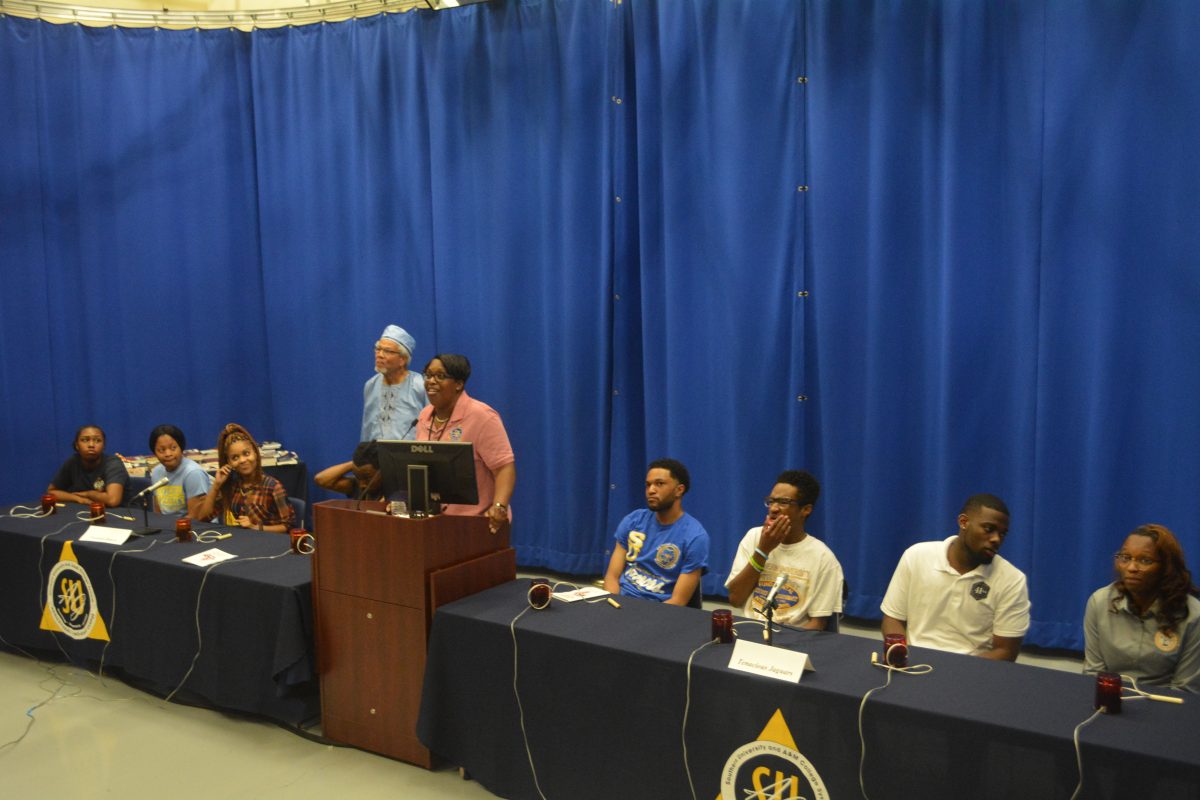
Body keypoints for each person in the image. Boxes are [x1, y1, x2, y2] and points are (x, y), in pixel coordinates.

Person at [880, 494, 1030, 660]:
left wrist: (955, 673)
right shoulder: (916, 556)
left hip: (971, 673)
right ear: (964, 522)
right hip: (915, 663)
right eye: (989, 529)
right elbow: (893, 619)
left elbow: (1006, 652)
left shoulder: (1012, 580)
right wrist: (903, 656)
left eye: (1002, 534)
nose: (996, 539)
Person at [1083, 524, 1200, 693]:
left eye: (1145, 560)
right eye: (1125, 557)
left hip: (1165, 706)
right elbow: (1093, 673)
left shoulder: (1193, 616)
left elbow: (1185, 689)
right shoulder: (1099, 602)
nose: (1131, 568)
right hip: (1109, 699)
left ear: (1166, 568)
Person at [725, 470, 844, 630]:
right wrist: (763, 550)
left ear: (806, 510)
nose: (774, 508)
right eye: (771, 501)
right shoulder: (753, 537)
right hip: (750, 630)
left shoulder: (824, 559)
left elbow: (817, 626)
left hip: (794, 639)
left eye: (783, 502)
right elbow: (735, 599)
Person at [414, 354, 515, 532]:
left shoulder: (482, 416)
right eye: (428, 375)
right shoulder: (424, 416)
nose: (431, 381)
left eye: (440, 376)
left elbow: (504, 468)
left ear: (459, 384)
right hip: (436, 522)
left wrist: (499, 506)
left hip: (477, 523)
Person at [603, 459, 710, 605]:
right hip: (620, 604)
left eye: (659, 484)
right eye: (648, 485)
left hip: (658, 612)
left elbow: (678, 601)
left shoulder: (695, 537)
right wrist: (613, 604)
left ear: (679, 490)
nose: (651, 490)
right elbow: (612, 577)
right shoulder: (633, 521)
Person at [193, 423, 293, 532]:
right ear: (229, 462)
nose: (242, 460)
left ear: (255, 453)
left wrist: (254, 527)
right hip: (239, 543)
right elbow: (203, 518)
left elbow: (288, 527)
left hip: (267, 543)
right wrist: (216, 486)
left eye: (246, 453)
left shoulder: (273, 487)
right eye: (235, 457)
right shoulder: (231, 487)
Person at [362, 325, 427, 442]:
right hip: (377, 457)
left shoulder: (420, 385)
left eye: (387, 351)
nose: (379, 355)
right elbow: (367, 427)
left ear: (402, 359)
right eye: (378, 349)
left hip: (412, 457)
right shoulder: (371, 385)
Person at [47, 425, 129, 508]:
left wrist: (88, 494)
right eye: (85, 440)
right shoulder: (73, 461)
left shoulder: (113, 463)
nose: (91, 445)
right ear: (77, 445)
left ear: (104, 446)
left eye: (97, 440)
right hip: (87, 511)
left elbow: (112, 501)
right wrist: (77, 499)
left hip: (124, 514)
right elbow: (51, 492)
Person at [147, 424, 212, 518]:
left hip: (194, 528)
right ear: (154, 453)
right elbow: (158, 513)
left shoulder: (193, 473)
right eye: (161, 450)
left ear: (181, 448)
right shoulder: (156, 472)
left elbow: (196, 517)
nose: (168, 454)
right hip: (169, 527)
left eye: (173, 448)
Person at [314, 441, 384, 501]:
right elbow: (321, 479)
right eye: (358, 477)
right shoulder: (356, 485)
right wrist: (355, 462)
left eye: (367, 478)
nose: (362, 485)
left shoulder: (393, 491)